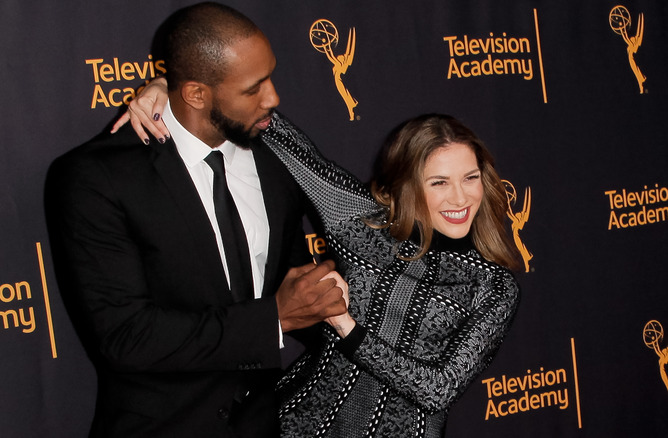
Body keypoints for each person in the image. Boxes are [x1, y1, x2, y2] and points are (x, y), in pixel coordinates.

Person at [120, 81, 522, 436]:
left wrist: (345, 325)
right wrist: (172, 89)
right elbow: (279, 134)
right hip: (293, 423)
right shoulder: (361, 224)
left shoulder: (493, 286)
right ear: (404, 186)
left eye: (470, 178)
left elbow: (437, 390)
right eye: (439, 183)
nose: (460, 197)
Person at [45, 3, 348, 437]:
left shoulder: (275, 155)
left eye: (270, 76)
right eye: (253, 88)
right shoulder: (98, 177)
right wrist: (272, 320)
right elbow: (126, 337)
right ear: (195, 94)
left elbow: (295, 283)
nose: (274, 98)